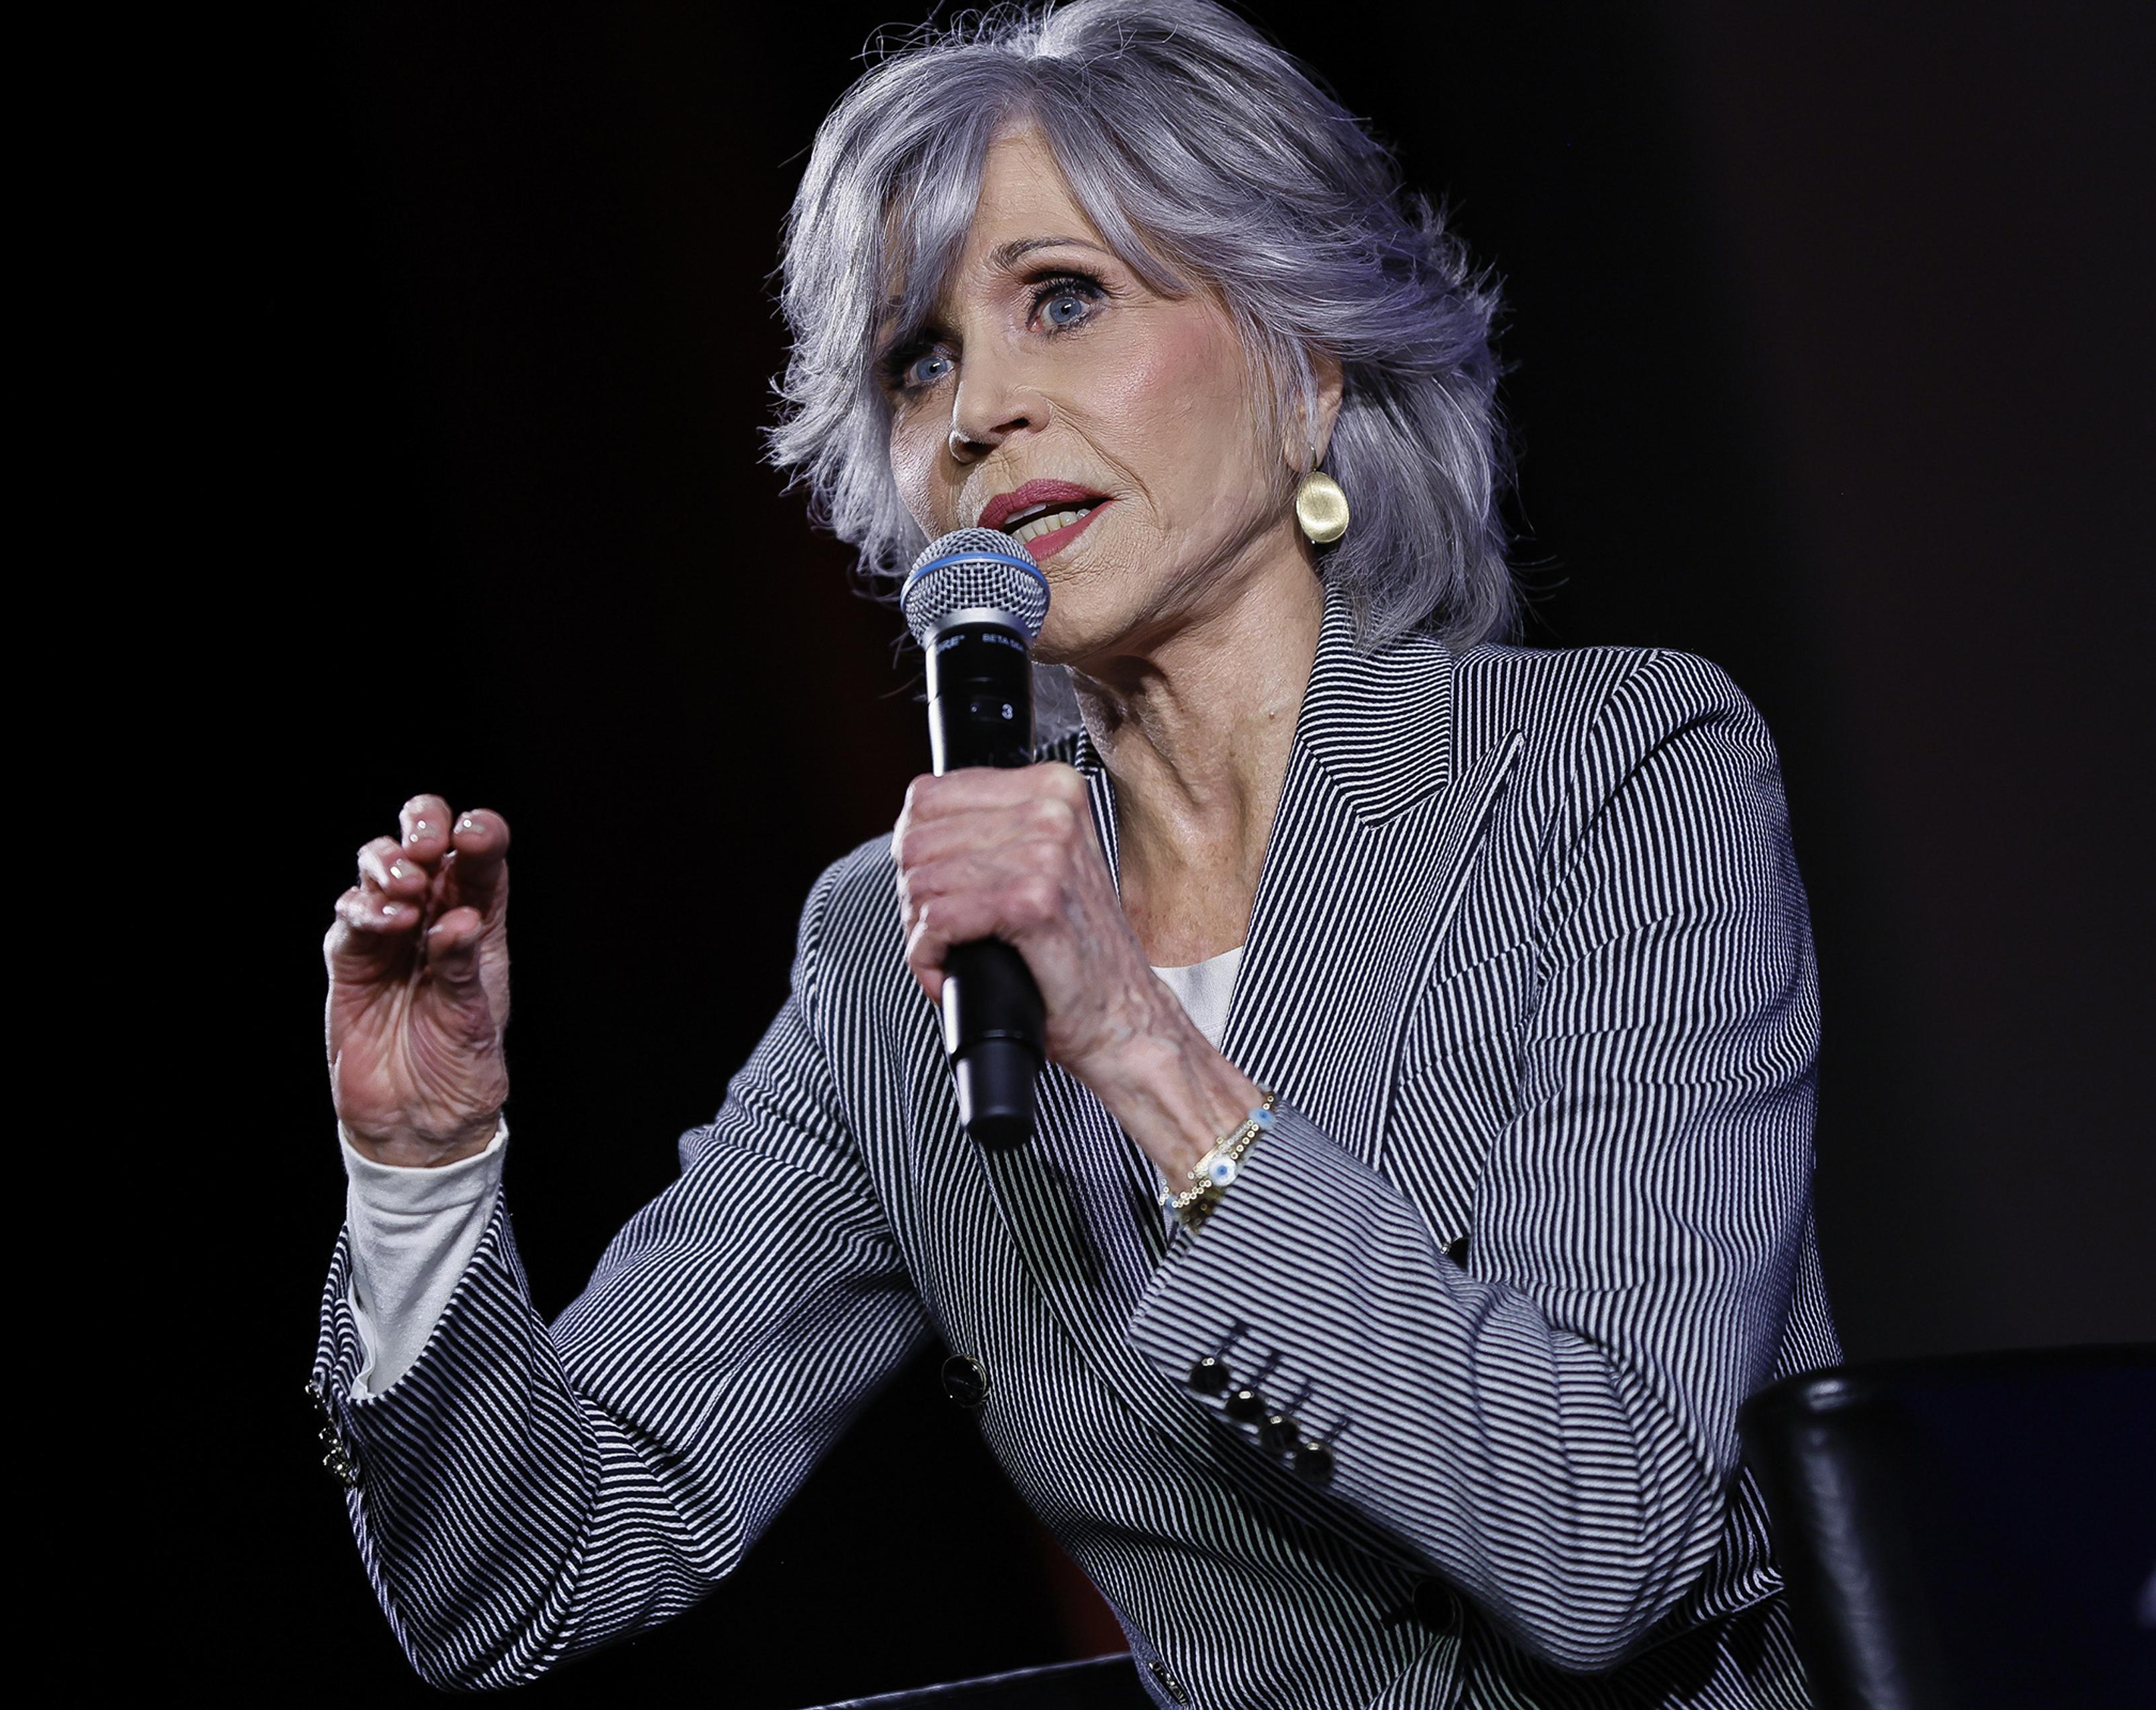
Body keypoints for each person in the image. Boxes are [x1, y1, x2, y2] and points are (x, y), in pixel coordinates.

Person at [305, 3, 1839, 1704]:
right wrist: (420, 1174)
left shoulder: (1613, 774)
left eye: (1063, 299)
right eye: (918, 361)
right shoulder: (892, 958)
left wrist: (1139, 1047)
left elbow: (1605, 1532)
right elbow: (522, 1576)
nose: (982, 410)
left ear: (1307, 369)